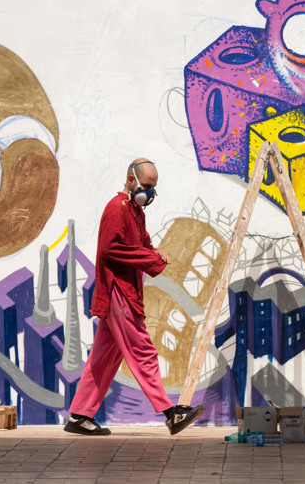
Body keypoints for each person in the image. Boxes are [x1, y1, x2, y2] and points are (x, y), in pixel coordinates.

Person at [64, 159, 204, 435]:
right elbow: (110, 248)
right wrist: (150, 259)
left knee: (104, 357)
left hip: (126, 289)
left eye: (153, 187)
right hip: (119, 291)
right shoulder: (117, 207)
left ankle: (79, 416)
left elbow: (141, 242)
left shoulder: (135, 211)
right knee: (142, 350)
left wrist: (154, 253)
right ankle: (170, 413)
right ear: (131, 181)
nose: (150, 193)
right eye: (147, 186)